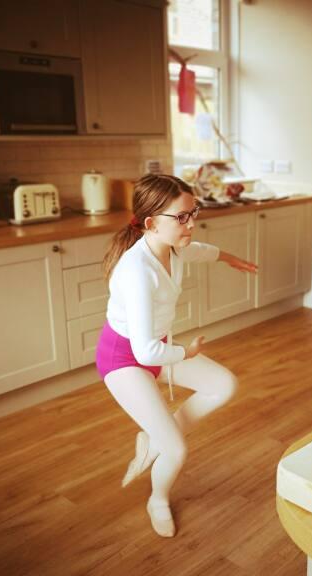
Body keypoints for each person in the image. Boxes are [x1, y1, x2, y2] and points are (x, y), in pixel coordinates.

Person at [97, 173, 258, 538]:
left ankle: (153, 438)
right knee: (176, 449)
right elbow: (144, 350)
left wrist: (230, 258)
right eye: (182, 217)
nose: (192, 223)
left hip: (157, 347)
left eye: (193, 212)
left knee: (223, 385)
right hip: (124, 359)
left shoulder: (174, 246)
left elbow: (202, 251)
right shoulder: (136, 271)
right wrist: (188, 351)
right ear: (151, 223)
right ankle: (158, 499)